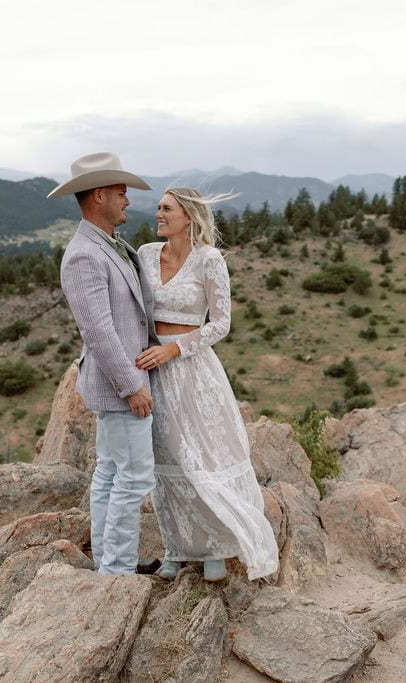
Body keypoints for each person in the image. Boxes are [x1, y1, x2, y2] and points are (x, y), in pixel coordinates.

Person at [134, 187, 279, 582]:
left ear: (188, 216)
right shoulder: (146, 254)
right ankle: (177, 548)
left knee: (204, 454)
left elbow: (221, 323)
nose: (158, 213)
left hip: (193, 368)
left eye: (166, 208)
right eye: (159, 208)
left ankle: (216, 546)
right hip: (150, 366)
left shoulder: (209, 260)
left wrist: (174, 349)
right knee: (165, 458)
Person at [50, 152, 160, 575]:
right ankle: (116, 571)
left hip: (121, 382)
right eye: (121, 193)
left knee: (111, 473)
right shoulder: (83, 255)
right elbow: (98, 332)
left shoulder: (109, 246)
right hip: (119, 387)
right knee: (131, 479)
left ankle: (111, 561)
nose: (127, 200)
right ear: (99, 196)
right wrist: (132, 386)